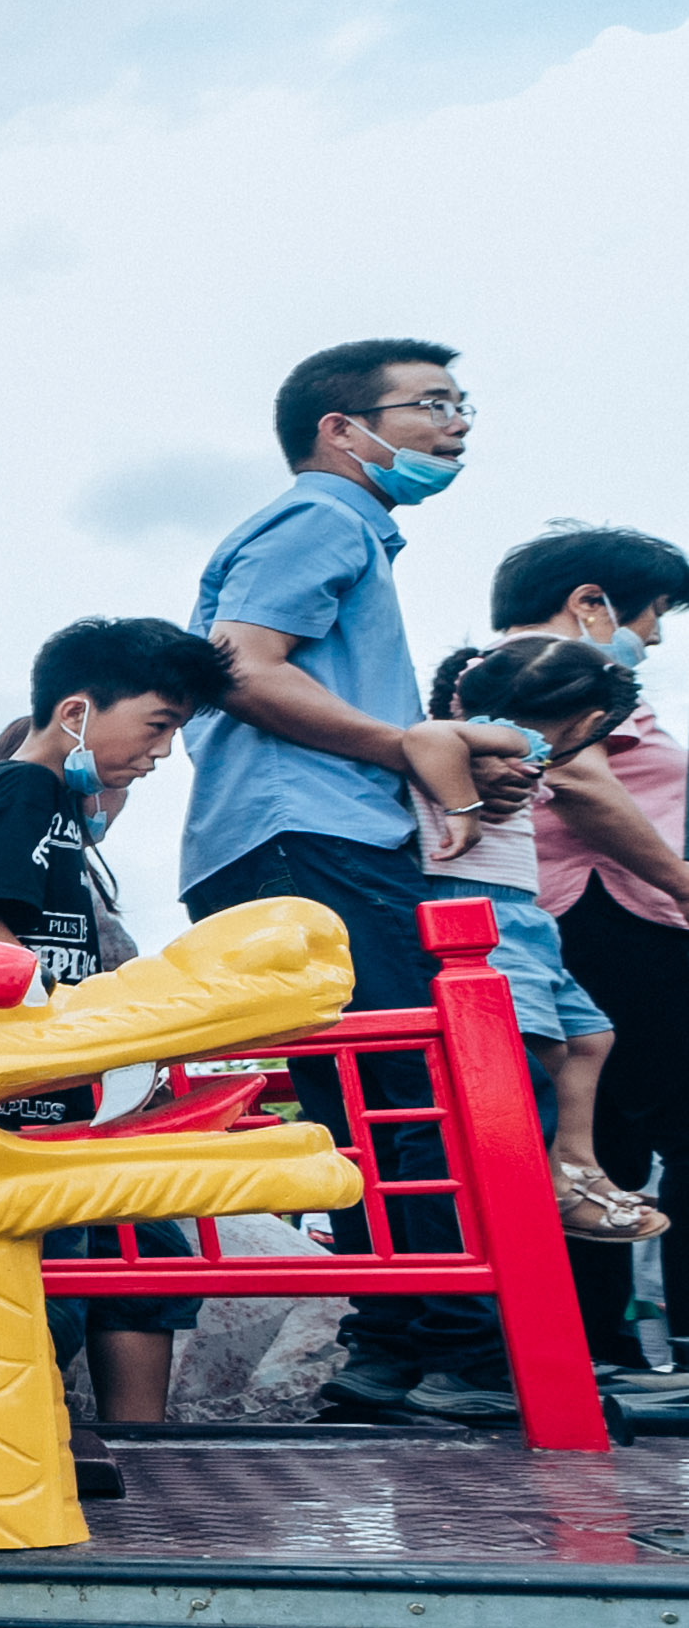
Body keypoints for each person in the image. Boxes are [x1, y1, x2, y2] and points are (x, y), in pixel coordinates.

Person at [182, 338, 536, 1423]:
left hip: (273, 840)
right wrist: (405, 746)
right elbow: (243, 664)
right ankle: (465, 1357)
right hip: (313, 836)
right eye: (431, 403)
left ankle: (389, 1352)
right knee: (414, 1099)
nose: (458, 423)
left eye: (461, 401)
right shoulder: (322, 517)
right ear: (341, 428)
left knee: (369, 1108)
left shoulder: (340, 533)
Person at [0, 618, 235, 1423]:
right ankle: (32, 1444)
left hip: (68, 1087)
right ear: (75, 713)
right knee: (49, 1280)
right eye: (157, 726)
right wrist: (62, 1030)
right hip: (24, 1096)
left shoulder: (52, 798)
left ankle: (137, 1445)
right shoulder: (18, 789)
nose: (161, 752)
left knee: (144, 1251)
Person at [500, 527, 689, 1400]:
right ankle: (644, 1355)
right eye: (653, 618)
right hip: (605, 917)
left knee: (596, 1142)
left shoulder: (488, 686)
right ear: (591, 605)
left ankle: (599, 1357)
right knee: (643, 1136)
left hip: (579, 926)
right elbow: (581, 785)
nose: (650, 640)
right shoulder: (550, 685)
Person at [421, 637, 667, 1251]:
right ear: (587, 723)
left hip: (524, 920)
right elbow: (423, 737)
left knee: (590, 1037)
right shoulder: (504, 738)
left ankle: (579, 1166)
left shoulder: (500, 745)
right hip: (479, 911)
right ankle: (549, 1180)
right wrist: (466, 809)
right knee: (538, 1051)